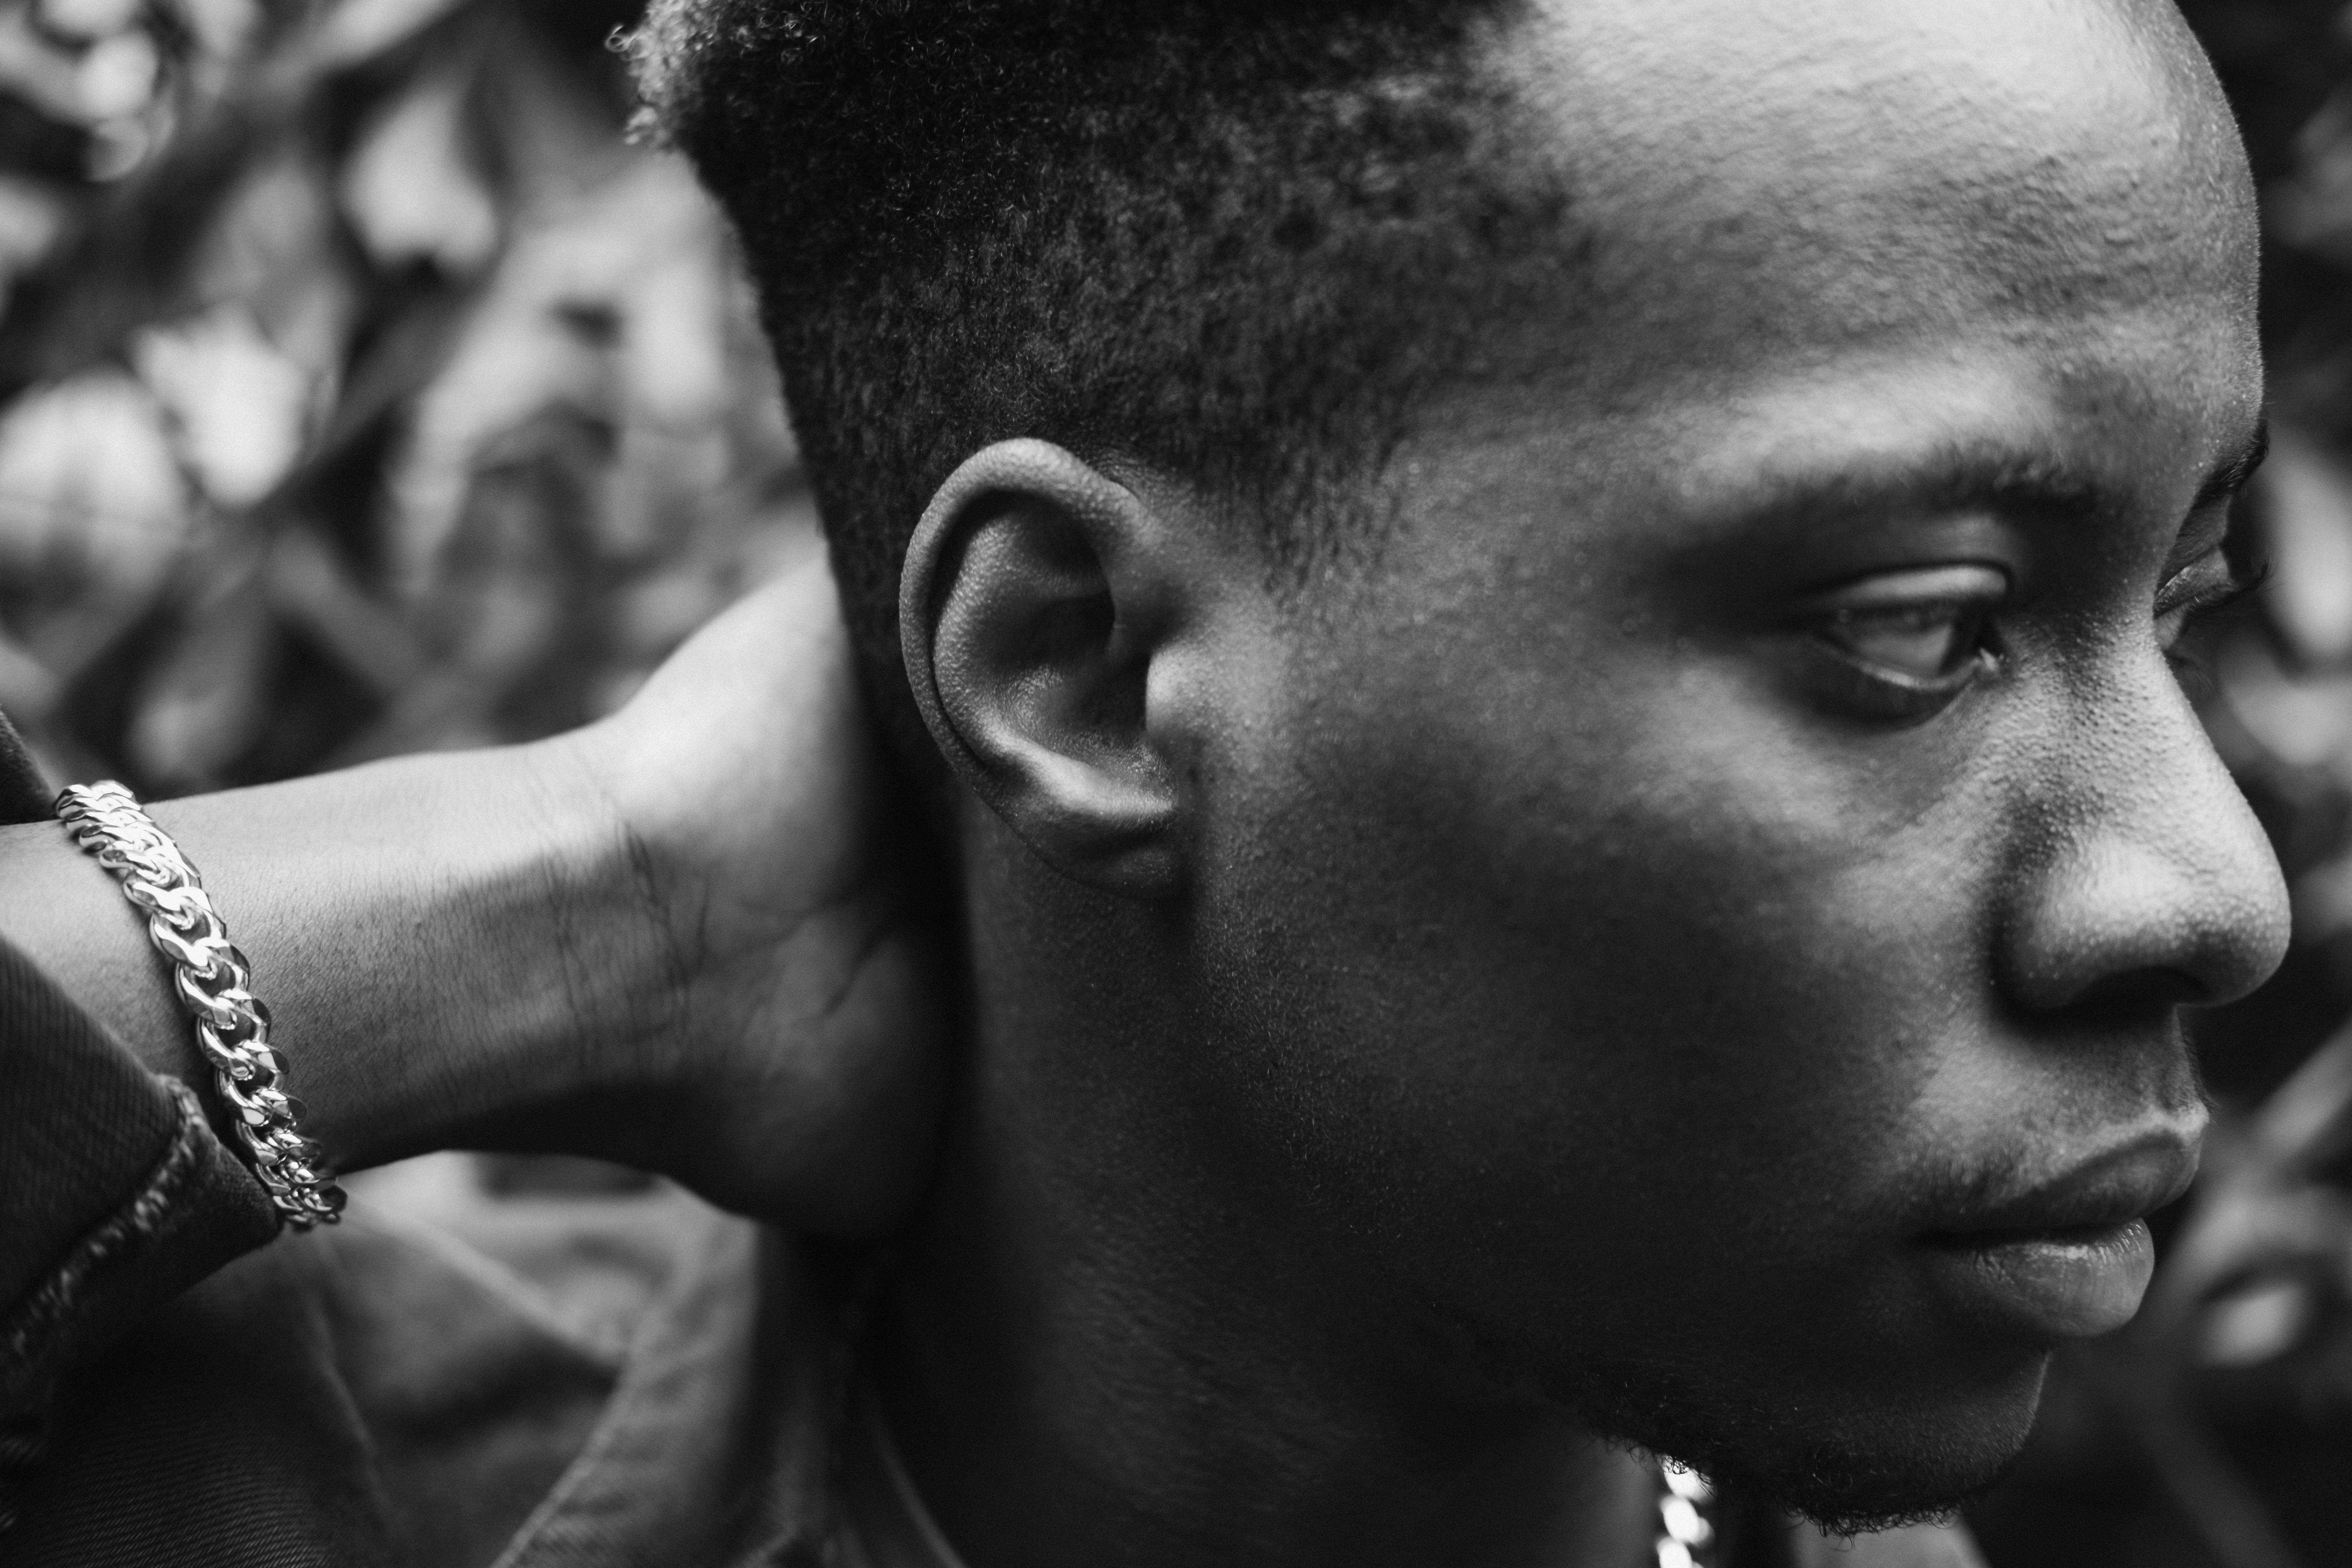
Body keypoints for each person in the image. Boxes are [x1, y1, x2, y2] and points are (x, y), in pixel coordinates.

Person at [0, 0, 2293, 1563]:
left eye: (2184, 592)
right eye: (1923, 629)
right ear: (1077, 677)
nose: (2214, 886)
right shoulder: (287, 1494)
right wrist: (590, 897)